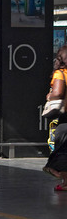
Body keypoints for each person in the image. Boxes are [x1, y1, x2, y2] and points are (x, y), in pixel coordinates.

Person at [43, 45, 67, 190]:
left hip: (66, 117)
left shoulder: (61, 73)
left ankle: (64, 180)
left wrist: (49, 95)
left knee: (62, 148)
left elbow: (58, 93)